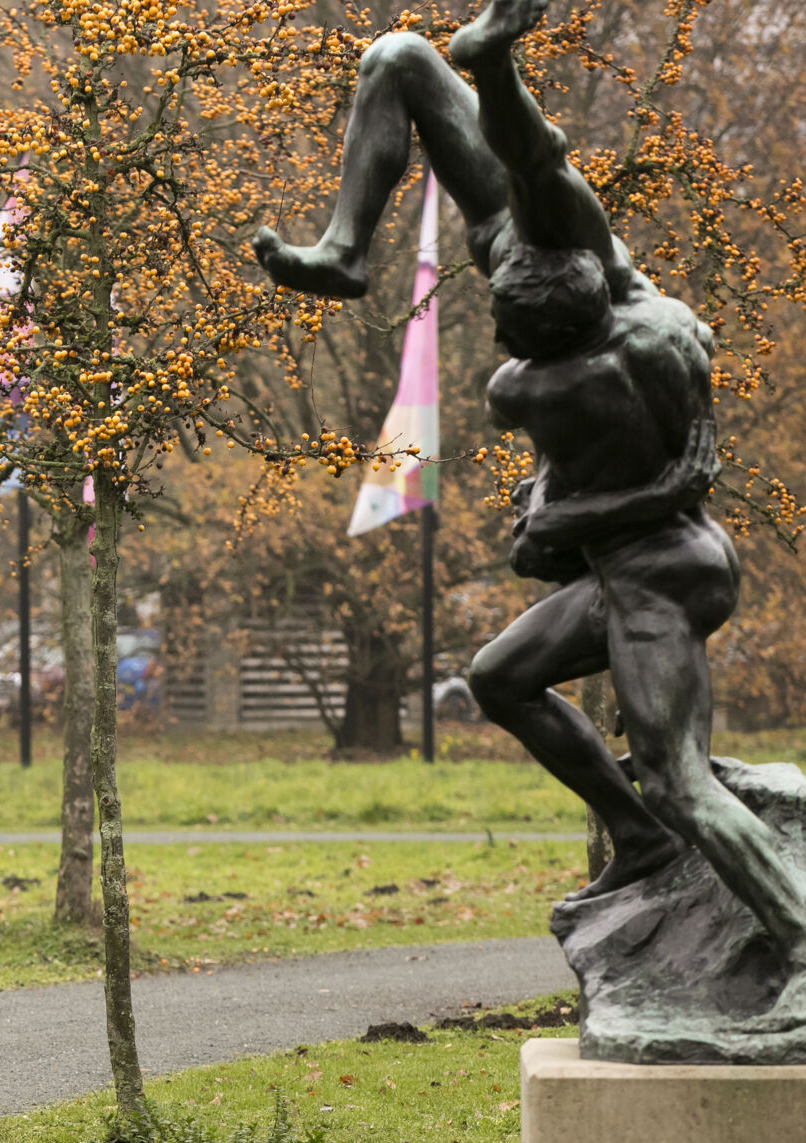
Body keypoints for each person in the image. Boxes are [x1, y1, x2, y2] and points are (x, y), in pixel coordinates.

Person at [255, 0, 806, 1025]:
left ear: (547, 336)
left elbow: (604, 508)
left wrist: (547, 523)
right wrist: (493, 62)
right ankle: (343, 247)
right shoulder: (603, 273)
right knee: (401, 58)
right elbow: (530, 157)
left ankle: (798, 935)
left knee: (679, 776)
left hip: (658, 574)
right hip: (633, 546)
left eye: (503, 320)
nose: (489, 320)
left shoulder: (549, 390)